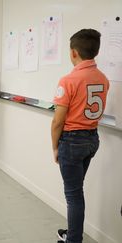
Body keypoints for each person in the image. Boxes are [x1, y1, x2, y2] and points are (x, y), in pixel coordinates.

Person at [52, 29, 109, 243]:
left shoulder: (68, 80)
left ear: (73, 53)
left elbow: (58, 121)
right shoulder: (103, 78)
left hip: (72, 142)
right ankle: (73, 234)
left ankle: (74, 239)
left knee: (74, 196)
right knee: (77, 191)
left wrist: (55, 146)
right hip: (92, 139)